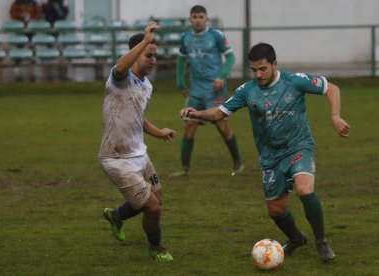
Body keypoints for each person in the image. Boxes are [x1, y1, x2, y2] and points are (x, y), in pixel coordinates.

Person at [180, 43, 350, 262]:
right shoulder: (247, 91)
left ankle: (321, 242)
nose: (258, 74)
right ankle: (297, 239)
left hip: (299, 146)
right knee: (276, 211)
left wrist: (335, 116)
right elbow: (219, 113)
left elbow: (332, 88)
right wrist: (196, 113)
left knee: (304, 189)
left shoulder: (294, 80)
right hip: (270, 157)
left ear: (274, 65)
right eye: (254, 70)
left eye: (263, 69)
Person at [99, 22, 175, 261]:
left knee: (157, 200)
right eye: (148, 55)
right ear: (135, 54)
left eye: (155, 56)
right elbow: (121, 67)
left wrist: (159, 131)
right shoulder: (119, 79)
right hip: (115, 157)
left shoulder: (147, 86)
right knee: (152, 206)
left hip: (139, 153)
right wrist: (144, 40)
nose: (153, 60)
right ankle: (156, 248)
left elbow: (137, 118)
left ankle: (117, 216)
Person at [173, 5, 244, 177]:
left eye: (201, 17)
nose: (198, 20)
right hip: (196, 90)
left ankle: (238, 162)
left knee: (221, 124)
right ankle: (184, 169)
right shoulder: (186, 37)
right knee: (189, 124)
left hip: (215, 89)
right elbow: (182, 60)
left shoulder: (216, 35)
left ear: (206, 19)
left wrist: (221, 76)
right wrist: (180, 82)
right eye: (195, 17)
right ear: (190, 19)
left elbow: (231, 57)